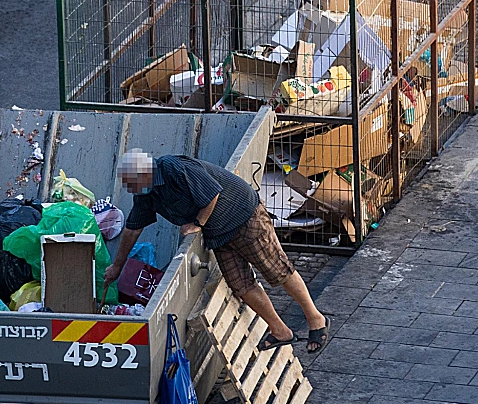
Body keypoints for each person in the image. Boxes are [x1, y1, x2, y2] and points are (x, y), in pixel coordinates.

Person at [104, 149, 330, 353]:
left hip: (244, 215)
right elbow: (133, 228)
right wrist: (117, 266)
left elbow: (212, 194)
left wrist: (198, 223)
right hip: (219, 234)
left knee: (277, 269)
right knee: (241, 285)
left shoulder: (174, 168)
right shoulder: (145, 192)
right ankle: (280, 331)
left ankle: (316, 319)